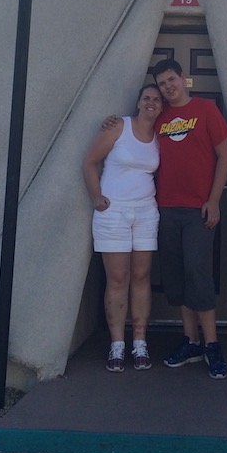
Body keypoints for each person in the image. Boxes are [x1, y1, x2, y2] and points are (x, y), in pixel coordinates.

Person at [150, 58, 227, 379]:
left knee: (198, 271)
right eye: (161, 83)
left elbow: (224, 154)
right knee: (177, 275)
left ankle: (212, 344)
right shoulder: (159, 116)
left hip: (198, 208)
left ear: (182, 79)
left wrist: (214, 200)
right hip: (165, 208)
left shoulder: (206, 109)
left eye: (171, 79)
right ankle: (191, 341)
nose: (167, 87)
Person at [83, 83, 163, 372]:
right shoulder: (119, 127)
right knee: (118, 278)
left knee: (141, 276)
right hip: (113, 211)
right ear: (138, 102)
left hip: (145, 212)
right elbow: (91, 162)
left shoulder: (159, 135)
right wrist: (97, 197)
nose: (151, 103)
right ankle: (117, 345)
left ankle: (139, 343)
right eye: (146, 98)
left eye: (156, 99)